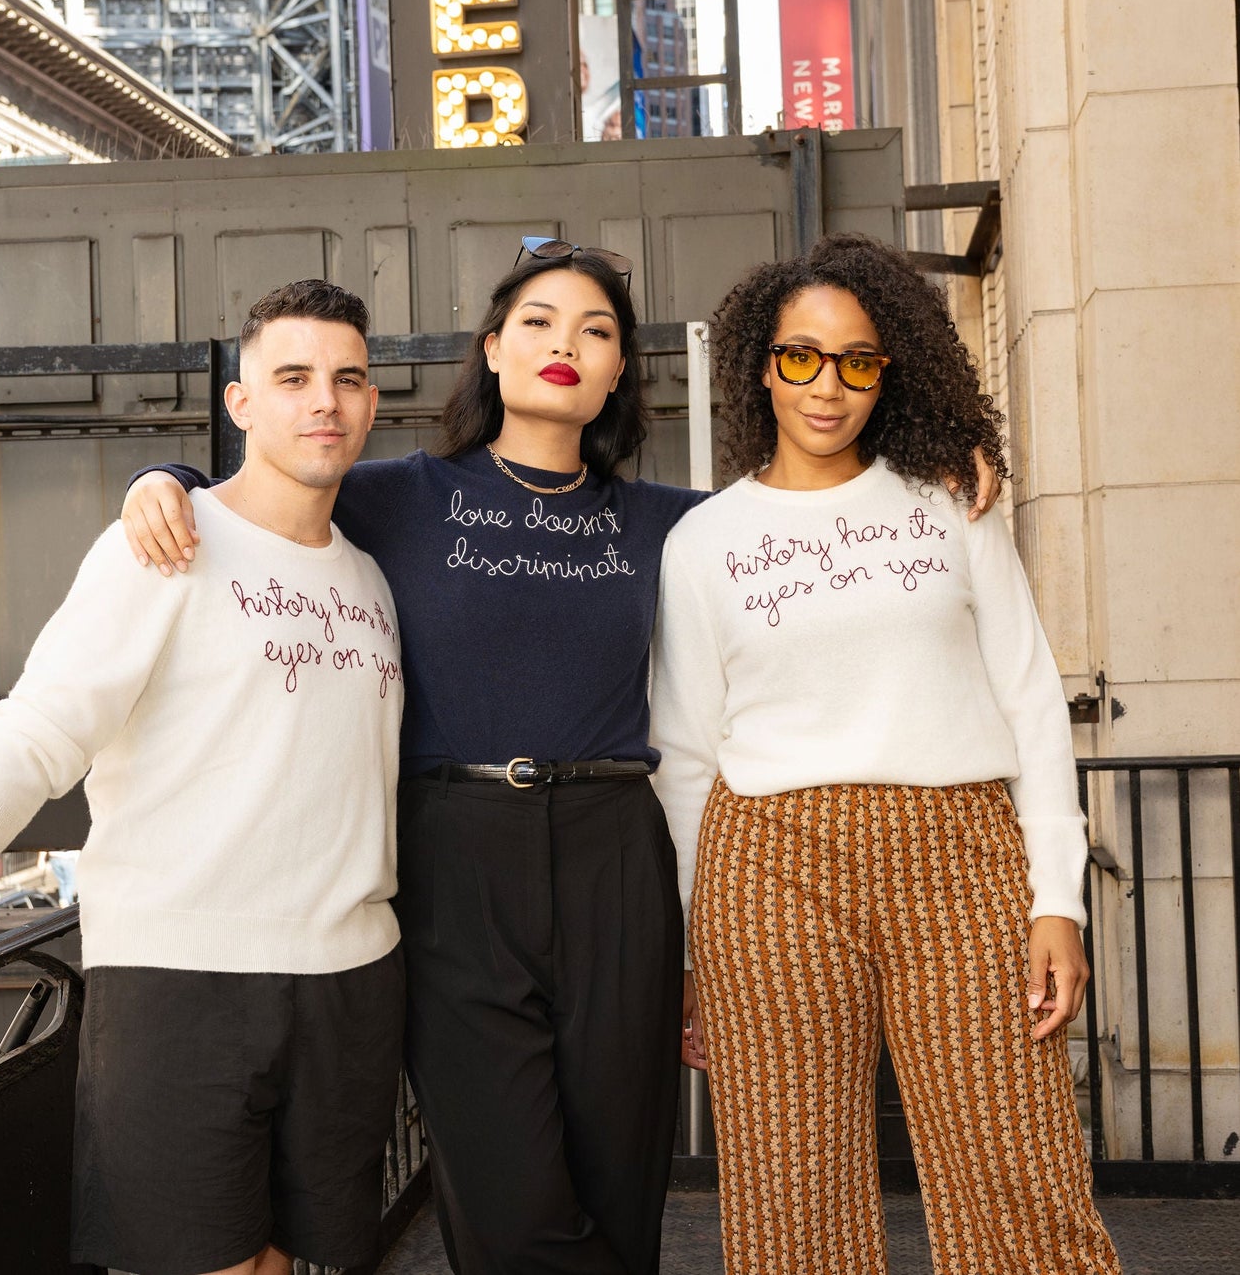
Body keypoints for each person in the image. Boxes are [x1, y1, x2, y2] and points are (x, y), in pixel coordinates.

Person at [122, 239, 1001, 1275]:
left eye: (595, 331)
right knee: (509, 1202)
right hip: (453, 867)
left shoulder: (677, 526)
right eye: (537, 322)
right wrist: (163, 478)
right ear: (492, 349)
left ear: (618, 368)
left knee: (619, 1188)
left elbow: (815, 494)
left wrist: (938, 462)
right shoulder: (395, 497)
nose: (564, 345)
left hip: (615, 859)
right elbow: (269, 486)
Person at [0, 280, 406, 1275]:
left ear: (372, 401)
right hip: (182, 981)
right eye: (292, 377)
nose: (323, 401)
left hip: (348, 982)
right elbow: (30, 741)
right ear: (240, 401)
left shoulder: (369, 578)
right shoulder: (160, 547)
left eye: (346, 378)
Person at [649, 233, 1119, 1275]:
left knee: (1017, 1170)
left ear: (887, 370)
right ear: (758, 365)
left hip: (960, 852)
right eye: (800, 357)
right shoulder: (702, 540)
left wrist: (1057, 899)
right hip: (765, 864)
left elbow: (1030, 698)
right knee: (789, 1192)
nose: (827, 386)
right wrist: (689, 952)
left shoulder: (951, 500)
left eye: (857, 361)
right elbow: (682, 755)